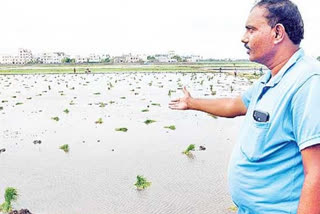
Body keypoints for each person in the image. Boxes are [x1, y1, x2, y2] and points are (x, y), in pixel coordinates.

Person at [169, 0, 320, 213]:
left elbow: (317, 173)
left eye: (251, 29)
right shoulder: (271, 78)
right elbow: (235, 105)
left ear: (277, 33)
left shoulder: (309, 82)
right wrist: (192, 103)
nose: (244, 38)